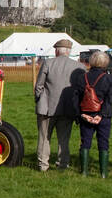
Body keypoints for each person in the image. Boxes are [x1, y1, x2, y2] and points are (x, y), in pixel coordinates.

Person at [34, 38, 83, 171]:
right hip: (68, 108)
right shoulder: (79, 67)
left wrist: (39, 100)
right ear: (69, 51)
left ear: (56, 50)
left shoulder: (48, 63)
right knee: (64, 139)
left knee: (44, 138)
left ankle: (43, 164)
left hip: (46, 107)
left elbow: (39, 86)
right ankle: (62, 164)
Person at [71, 51, 112, 177]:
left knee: (85, 142)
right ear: (105, 62)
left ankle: (84, 171)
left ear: (91, 61)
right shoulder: (109, 78)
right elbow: (109, 99)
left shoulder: (81, 77)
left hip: (86, 114)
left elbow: (76, 98)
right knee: (103, 142)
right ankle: (103, 173)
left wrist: (80, 114)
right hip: (103, 116)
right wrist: (101, 115)